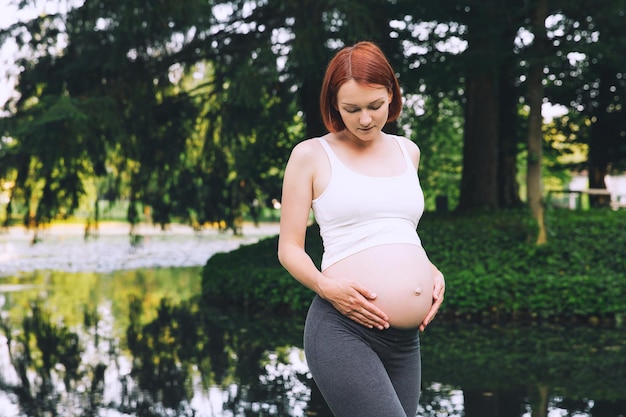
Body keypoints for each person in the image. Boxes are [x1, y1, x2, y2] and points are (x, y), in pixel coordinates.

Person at [277, 41, 445, 417]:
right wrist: (326, 287)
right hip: (344, 329)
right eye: (351, 109)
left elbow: (398, 229)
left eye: (375, 106)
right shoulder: (311, 155)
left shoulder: (408, 151)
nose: (365, 119)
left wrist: (430, 271)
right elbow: (289, 248)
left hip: (406, 342)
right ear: (334, 105)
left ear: (391, 95)